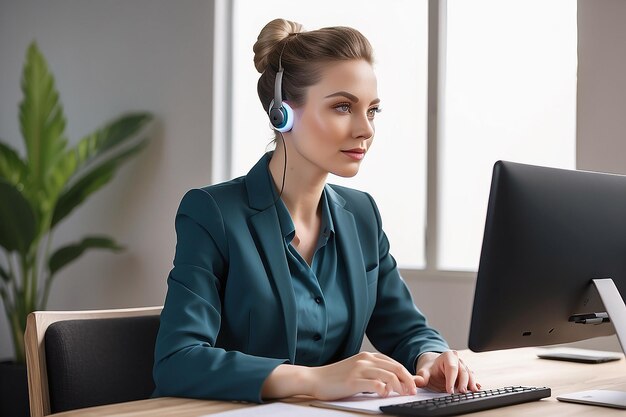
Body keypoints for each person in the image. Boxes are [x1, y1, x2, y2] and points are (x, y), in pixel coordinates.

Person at [153, 18, 479, 403]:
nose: (366, 129)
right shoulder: (212, 213)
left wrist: (433, 356)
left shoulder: (361, 215)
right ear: (282, 114)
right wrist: (313, 380)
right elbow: (178, 360)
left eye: (372, 110)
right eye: (343, 107)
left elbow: (406, 329)